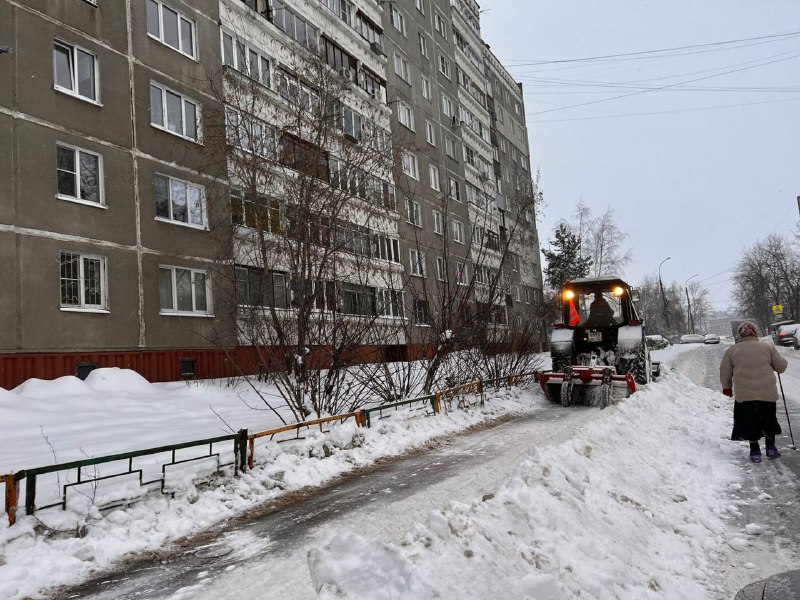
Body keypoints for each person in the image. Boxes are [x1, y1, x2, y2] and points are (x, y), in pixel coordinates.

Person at [720, 321, 788, 463]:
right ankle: (771, 448)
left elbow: (725, 372)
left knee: (750, 422)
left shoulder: (732, 350)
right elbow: (781, 367)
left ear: (740, 334)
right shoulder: (767, 347)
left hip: (745, 396)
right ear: (755, 333)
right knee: (768, 420)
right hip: (767, 394)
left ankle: (755, 451)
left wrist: (727, 388)